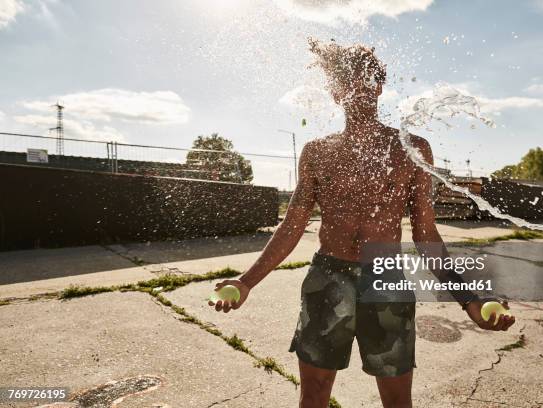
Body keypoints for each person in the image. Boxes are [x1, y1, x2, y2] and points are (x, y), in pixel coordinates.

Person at [209, 39, 515, 408]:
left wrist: (469, 298)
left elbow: (426, 237)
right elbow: (291, 227)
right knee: (314, 397)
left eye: (368, 78)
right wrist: (245, 282)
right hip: (327, 279)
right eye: (349, 80)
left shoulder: (410, 150)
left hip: (386, 280)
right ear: (336, 92)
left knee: (398, 401)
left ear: (380, 86)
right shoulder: (317, 152)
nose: (359, 87)